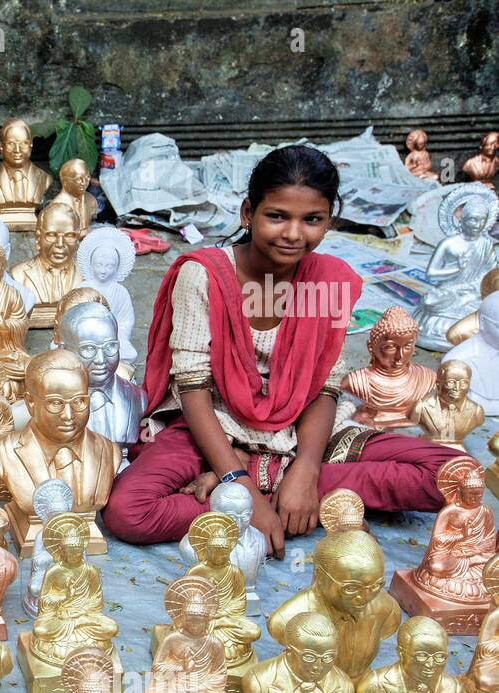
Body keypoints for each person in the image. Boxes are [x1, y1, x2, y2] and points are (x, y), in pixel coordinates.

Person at [104, 145, 458, 553]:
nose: (293, 234)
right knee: (129, 511)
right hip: (212, 423)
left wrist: (305, 470)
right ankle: (270, 489)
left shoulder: (326, 279)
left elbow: (325, 385)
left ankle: (277, 485)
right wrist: (241, 488)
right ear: (247, 213)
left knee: (453, 475)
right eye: (277, 216)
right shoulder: (205, 275)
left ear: (330, 220)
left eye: (312, 220)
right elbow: (192, 388)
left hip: (300, 427)